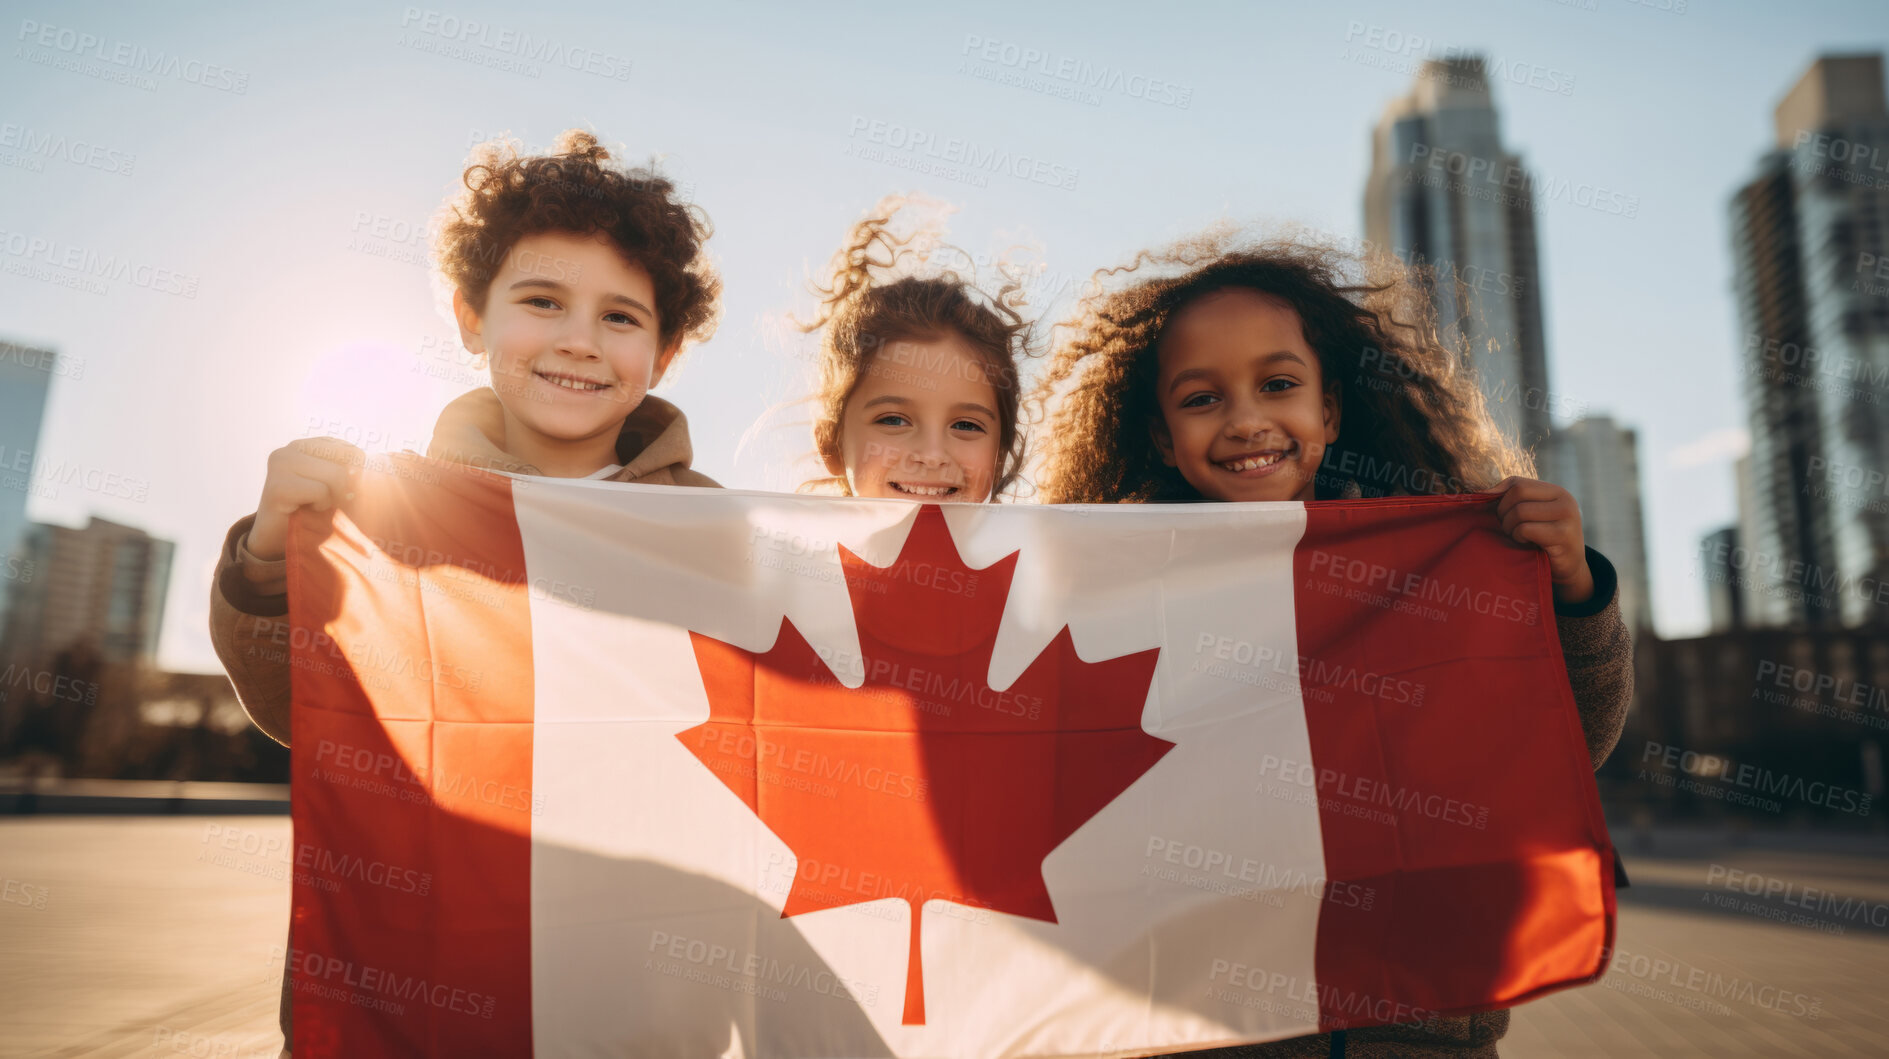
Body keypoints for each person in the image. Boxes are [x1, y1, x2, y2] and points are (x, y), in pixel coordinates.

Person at [1034, 229, 1632, 1059]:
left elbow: (1568, 745)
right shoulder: (1107, 596)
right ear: (1163, 436)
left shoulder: (1436, 575)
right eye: (1201, 398)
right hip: (1206, 1029)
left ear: (1330, 409)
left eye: (1277, 384)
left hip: (1421, 1032)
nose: (1246, 420)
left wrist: (1573, 590)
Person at [206, 128, 721, 1057]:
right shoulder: (383, 513)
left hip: (641, 997)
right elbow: (303, 710)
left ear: (667, 348)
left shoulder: (721, 538)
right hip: (416, 987)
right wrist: (274, 558)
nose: (577, 340)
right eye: (541, 300)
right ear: (469, 316)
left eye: (620, 316)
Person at [794, 197, 1035, 503]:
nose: (932, 456)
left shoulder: (1051, 551)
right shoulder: (749, 544)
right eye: (893, 420)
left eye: (966, 425)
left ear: (1000, 455)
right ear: (832, 445)